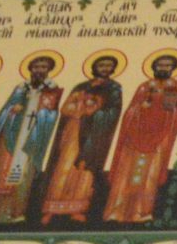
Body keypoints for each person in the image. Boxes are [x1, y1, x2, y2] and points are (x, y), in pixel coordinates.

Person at [37, 53, 127, 223]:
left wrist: (95, 113)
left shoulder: (113, 89)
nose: (105, 68)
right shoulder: (81, 86)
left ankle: (77, 210)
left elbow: (113, 111)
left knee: (84, 172)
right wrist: (79, 110)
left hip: (94, 136)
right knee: (62, 168)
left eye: (108, 66)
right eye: (102, 65)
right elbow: (65, 108)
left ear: (113, 69)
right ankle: (50, 209)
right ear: (94, 68)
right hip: (73, 131)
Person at [0, 54, 63, 224]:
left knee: (23, 175)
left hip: (32, 138)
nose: (39, 70)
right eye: (36, 67)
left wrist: (42, 113)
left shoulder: (52, 90)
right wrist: (11, 110)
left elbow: (52, 115)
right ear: (30, 69)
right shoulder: (21, 88)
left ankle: (14, 213)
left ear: (49, 70)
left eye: (43, 67)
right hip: (11, 136)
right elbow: (5, 110)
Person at [103, 52, 177, 224]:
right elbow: (131, 111)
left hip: (158, 139)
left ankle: (140, 212)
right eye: (160, 65)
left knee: (149, 176)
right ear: (154, 67)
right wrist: (140, 108)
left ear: (173, 68)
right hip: (135, 136)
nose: (163, 68)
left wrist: (158, 108)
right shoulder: (144, 87)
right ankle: (117, 211)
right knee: (125, 174)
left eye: (168, 65)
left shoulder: (173, 87)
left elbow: (172, 113)